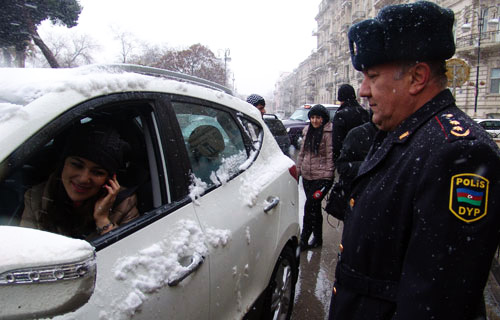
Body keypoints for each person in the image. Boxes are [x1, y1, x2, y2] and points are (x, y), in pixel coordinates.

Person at [328, 2, 500, 320]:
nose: (363, 90)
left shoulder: (458, 154)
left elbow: (436, 302)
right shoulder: (404, 130)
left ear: (417, 77)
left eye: (373, 76)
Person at [20, 123, 139, 240]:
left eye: (97, 172)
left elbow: (125, 255)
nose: (83, 179)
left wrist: (103, 220)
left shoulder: (124, 204)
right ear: (63, 165)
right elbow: (26, 249)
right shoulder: (36, 197)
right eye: (77, 165)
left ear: (110, 179)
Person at [325, 116, 377, 221]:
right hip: (358, 202)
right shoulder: (358, 134)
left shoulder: (406, 135)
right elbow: (342, 165)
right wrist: (369, 165)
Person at [296, 104, 334, 250]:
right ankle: (318, 238)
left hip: (322, 178)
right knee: (315, 208)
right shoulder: (307, 131)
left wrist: (328, 176)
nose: (315, 121)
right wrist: (298, 170)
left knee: (310, 205)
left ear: (323, 119)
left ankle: (304, 239)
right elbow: (302, 153)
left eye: (318, 117)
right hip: (307, 176)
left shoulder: (329, 133)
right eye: (312, 117)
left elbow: (330, 156)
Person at [331, 84, 370, 164]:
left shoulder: (340, 115)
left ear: (341, 99)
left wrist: (337, 160)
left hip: (348, 159)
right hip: (365, 159)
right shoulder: (364, 112)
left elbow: (336, 141)